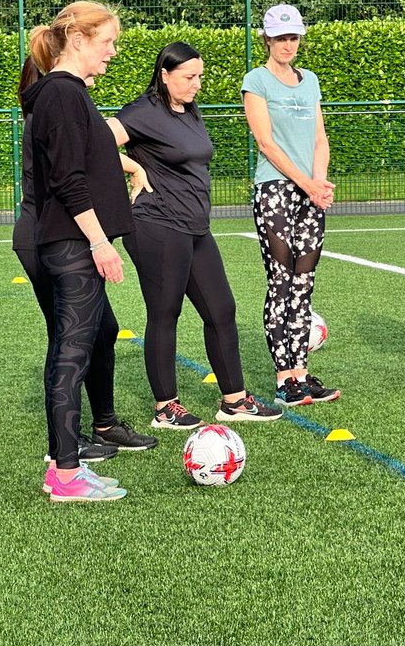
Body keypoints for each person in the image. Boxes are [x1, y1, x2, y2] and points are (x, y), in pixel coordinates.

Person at [23, 0, 158, 503]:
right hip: (72, 244)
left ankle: (70, 466)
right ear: (77, 40)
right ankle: (64, 474)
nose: (113, 53)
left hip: (75, 243)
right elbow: (67, 180)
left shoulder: (70, 94)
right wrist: (100, 242)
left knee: (80, 347)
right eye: (108, 43)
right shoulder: (59, 94)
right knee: (71, 354)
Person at [109, 42, 283, 428]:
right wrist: (134, 168)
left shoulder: (188, 110)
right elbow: (95, 142)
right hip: (156, 225)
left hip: (194, 227)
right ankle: (165, 406)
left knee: (221, 309)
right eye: (189, 77)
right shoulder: (142, 112)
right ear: (164, 75)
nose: (197, 84)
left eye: (199, 76)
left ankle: (234, 400)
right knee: (165, 313)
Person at [241, 5, 340, 406]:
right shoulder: (256, 81)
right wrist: (305, 183)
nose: (287, 44)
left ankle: (301, 371)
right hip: (276, 191)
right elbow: (266, 142)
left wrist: (319, 182)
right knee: (281, 281)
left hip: (308, 193)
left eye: (293, 37)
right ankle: (284, 378)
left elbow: (320, 138)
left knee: (304, 283)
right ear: (267, 38)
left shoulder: (310, 81)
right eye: (280, 37)